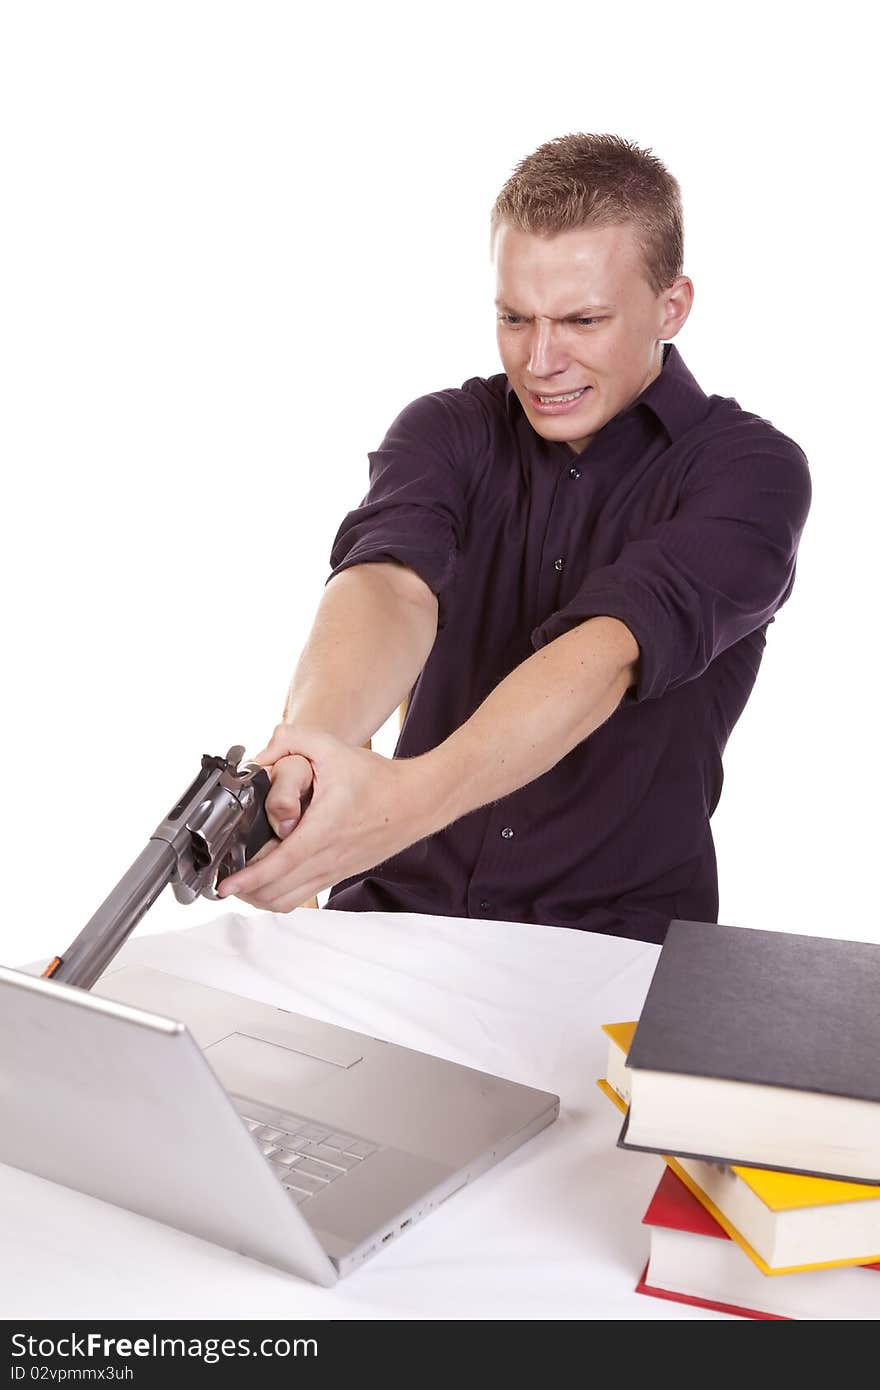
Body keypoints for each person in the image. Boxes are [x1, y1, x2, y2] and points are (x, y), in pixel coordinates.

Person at [217, 133, 811, 944]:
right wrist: (315, 745)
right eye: (513, 318)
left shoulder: (752, 472)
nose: (540, 360)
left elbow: (608, 653)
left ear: (671, 307)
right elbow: (388, 583)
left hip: (606, 953)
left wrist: (401, 806)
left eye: (582, 320)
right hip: (389, 925)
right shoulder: (445, 429)